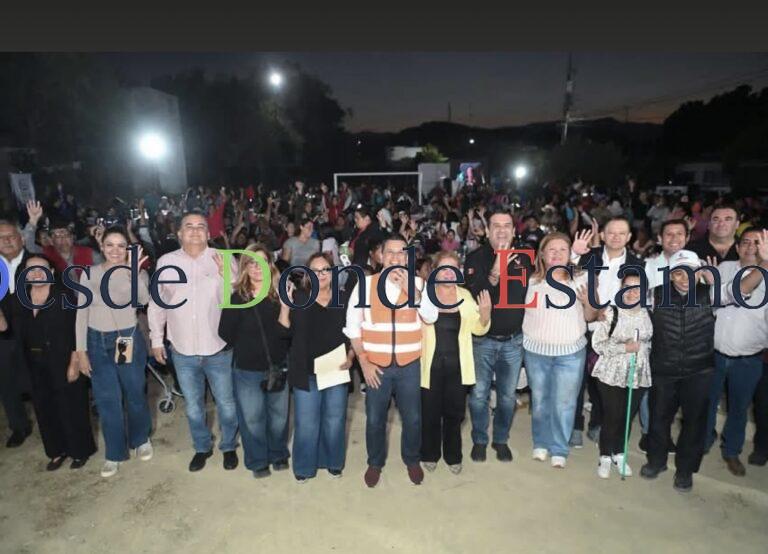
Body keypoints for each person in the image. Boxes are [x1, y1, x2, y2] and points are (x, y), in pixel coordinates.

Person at [344, 234, 438, 487]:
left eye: (402, 252)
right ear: (380, 256)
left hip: (409, 365)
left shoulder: (420, 282)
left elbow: (431, 316)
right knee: (375, 418)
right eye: (391, 252)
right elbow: (353, 327)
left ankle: (412, 459)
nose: (396, 257)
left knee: (413, 418)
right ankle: (375, 462)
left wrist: (411, 290)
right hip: (376, 366)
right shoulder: (365, 284)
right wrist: (363, 361)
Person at [148, 212, 239, 473]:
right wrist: (156, 339)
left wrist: (227, 276)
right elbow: (157, 303)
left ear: (209, 234)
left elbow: (238, 296)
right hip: (183, 350)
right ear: (179, 233)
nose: (196, 231)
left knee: (227, 404)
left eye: (201, 227)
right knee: (193, 408)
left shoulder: (223, 258)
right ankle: (202, 446)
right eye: (189, 227)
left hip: (218, 348)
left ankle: (229, 445)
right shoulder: (166, 262)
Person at [75, 227, 153, 477]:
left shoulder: (136, 272)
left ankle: (140, 439)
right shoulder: (89, 274)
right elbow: (81, 314)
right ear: (102, 246)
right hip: (96, 342)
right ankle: (114, 453)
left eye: (121, 245)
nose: (116, 250)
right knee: (107, 400)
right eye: (110, 245)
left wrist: (134, 272)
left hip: (125, 339)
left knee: (134, 392)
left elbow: (144, 300)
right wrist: (80, 351)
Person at [640, 249, 715, 493]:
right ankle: (656, 461)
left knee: (694, 422)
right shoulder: (655, 295)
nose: (684, 278)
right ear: (670, 275)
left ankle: (685, 470)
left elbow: (746, 288)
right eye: (678, 272)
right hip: (664, 369)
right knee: (659, 418)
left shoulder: (712, 294)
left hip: (699, 370)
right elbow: (630, 309)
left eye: (691, 272)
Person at [522, 232, 599, 468]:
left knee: (564, 403)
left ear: (570, 255)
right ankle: (541, 443)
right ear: (542, 254)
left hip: (570, 352)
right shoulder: (531, 279)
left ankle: (559, 448)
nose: (556, 254)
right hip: (536, 351)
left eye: (562, 250)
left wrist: (588, 302)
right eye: (551, 250)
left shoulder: (582, 278)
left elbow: (591, 317)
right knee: (541, 400)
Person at [278, 252, 355, 482]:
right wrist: (283, 307)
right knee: (307, 423)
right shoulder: (299, 298)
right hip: (305, 370)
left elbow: (353, 333)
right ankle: (304, 468)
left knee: (334, 421)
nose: (321, 274)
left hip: (336, 369)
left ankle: (333, 462)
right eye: (315, 270)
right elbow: (284, 333)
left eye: (325, 269)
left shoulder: (343, 298)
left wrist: (351, 358)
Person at [15, 254, 96, 470]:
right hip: (35, 364)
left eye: (42, 269)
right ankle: (56, 451)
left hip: (65, 359)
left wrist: (74, 361)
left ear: (51, 273)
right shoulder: (19, 300)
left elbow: (76, 332)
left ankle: (80, 451)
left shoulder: (64, 296)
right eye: (31, 270)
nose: (36, 273)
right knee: (44, 409)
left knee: (73, 407)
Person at [464, 209, 532, 463]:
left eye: (507, 226)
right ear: (487, 231)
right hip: (482, 340)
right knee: (479, 394)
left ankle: (500, 439)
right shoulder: (474, 258)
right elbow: (478, 293)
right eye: (496, 226)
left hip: (514, 341)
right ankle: (480, 439)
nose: (502, 230)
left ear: (514, 231)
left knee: (506, 396)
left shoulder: (526, 259)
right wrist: (497, 268)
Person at [218, 244, 290, 478]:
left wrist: (286, 306)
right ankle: (258, 460)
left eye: (262, 262)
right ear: (245, 268)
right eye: (252, 263)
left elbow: (286, 333)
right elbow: (225, 334)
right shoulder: (237, 297)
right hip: (247, 370)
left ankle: (278, 453)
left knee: (279, 417)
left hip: (278, 365)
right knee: (252, 418)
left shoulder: (280, 294)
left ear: (270, 265)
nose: (258, 268)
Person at [570, 217, 643, 447]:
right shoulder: (588, 256)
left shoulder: (637, 264)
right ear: (602, 235)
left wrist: (610, 314)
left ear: (629, 237)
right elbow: (566, 274)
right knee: (577, 382)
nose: (616, 237)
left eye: (622, 233)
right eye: (611, 232)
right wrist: (574, 254)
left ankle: (597, 422)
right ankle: (575, 426)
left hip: (614, 332)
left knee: (604, 384)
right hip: (583, 327)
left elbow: (636, 299)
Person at [420, 251, 491, 474]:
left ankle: (453, 455)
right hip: (429, 367)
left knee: (454, 414)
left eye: (453, 269)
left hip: (458, 368)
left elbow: (478, 329)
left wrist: (486, 315)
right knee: (429, 414)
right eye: (444, 268)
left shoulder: (465, 296)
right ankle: (429, 453)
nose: (448, 273)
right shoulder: (424, 295)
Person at [705, 228, 768, 475]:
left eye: (758, 242)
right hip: (715, 354)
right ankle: (703, 442)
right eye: (746, 242)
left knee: (739, 408)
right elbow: (719, 298)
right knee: (707, 403)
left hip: (748, 359)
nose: (751, 247)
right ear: (738, 247)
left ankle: (731, 451)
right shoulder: (724, 268)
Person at [590, 270, 653, 478]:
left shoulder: (649, 313)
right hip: (612, 372)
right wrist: (625, 348)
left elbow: (651, 343)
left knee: (628, 415)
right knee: (613, 416)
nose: (632, 292)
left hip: (638, 373)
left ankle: (619, 452)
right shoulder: (611, 312)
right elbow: (598, 344)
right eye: (628, 287)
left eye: (637, 288)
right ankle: (605, 455)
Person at [0, 219, 34, 447]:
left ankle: (50, 420)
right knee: (6, 381)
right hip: (3, 335)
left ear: (21, 238)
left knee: (39, 378)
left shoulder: (36, 263)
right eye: (1, 238)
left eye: (11, 235)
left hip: (33, 331)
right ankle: (19, 426)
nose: (6, 241)